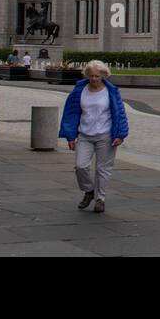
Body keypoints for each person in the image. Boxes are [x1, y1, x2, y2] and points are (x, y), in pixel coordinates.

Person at [58, 60, 129, 213]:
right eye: (91, 76)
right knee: (80, 166)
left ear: (103, 76)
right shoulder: (79, 90)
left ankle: (100, 199)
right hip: (85, 134)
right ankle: (89, 190)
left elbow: (120, 114)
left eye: (97, 76)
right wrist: (70, 136)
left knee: (103, 169)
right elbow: (70, 113)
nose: (94, 79)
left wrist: (121, 134)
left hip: (106, 135)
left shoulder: (111, 91)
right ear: (87, 75)